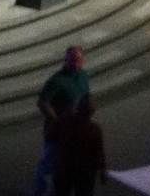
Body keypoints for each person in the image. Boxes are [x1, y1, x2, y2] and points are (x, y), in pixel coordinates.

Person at [36, 46, 91, 196]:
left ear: (83, 60)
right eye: (72, 60)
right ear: (66, 60)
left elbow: (85, 97)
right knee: (49, 165)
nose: (75, 63)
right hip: (57, 131)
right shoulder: (56, 80)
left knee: (69, 166)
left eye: (78, 60)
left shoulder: (84, 76)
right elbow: (42, 102)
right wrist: (57, 120)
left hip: (76, 130)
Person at [52, 96, 106, 196]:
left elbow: (51, 136)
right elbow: (99, 152)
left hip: (65, 167)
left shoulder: (64, 121)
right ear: (92, 112)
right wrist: (102, 170)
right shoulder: (94, 129)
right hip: (85, 171)